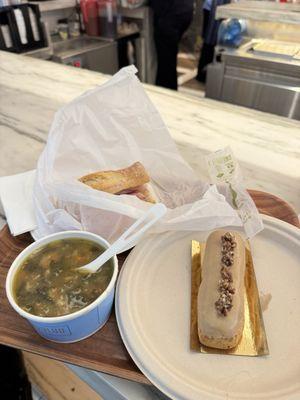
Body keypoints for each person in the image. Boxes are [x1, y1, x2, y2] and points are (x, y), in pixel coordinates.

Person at [150, 0, 194, 90]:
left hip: (170, 14)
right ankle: (168, 90)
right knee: (169, 58)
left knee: (166, 62)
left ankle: (165, 93)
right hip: (184, 10)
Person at [196, 0, 230, 82]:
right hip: (213, 10)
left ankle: (205, 74)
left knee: (210, 41)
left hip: (213, 8)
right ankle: (203, 75)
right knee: (210, 42)